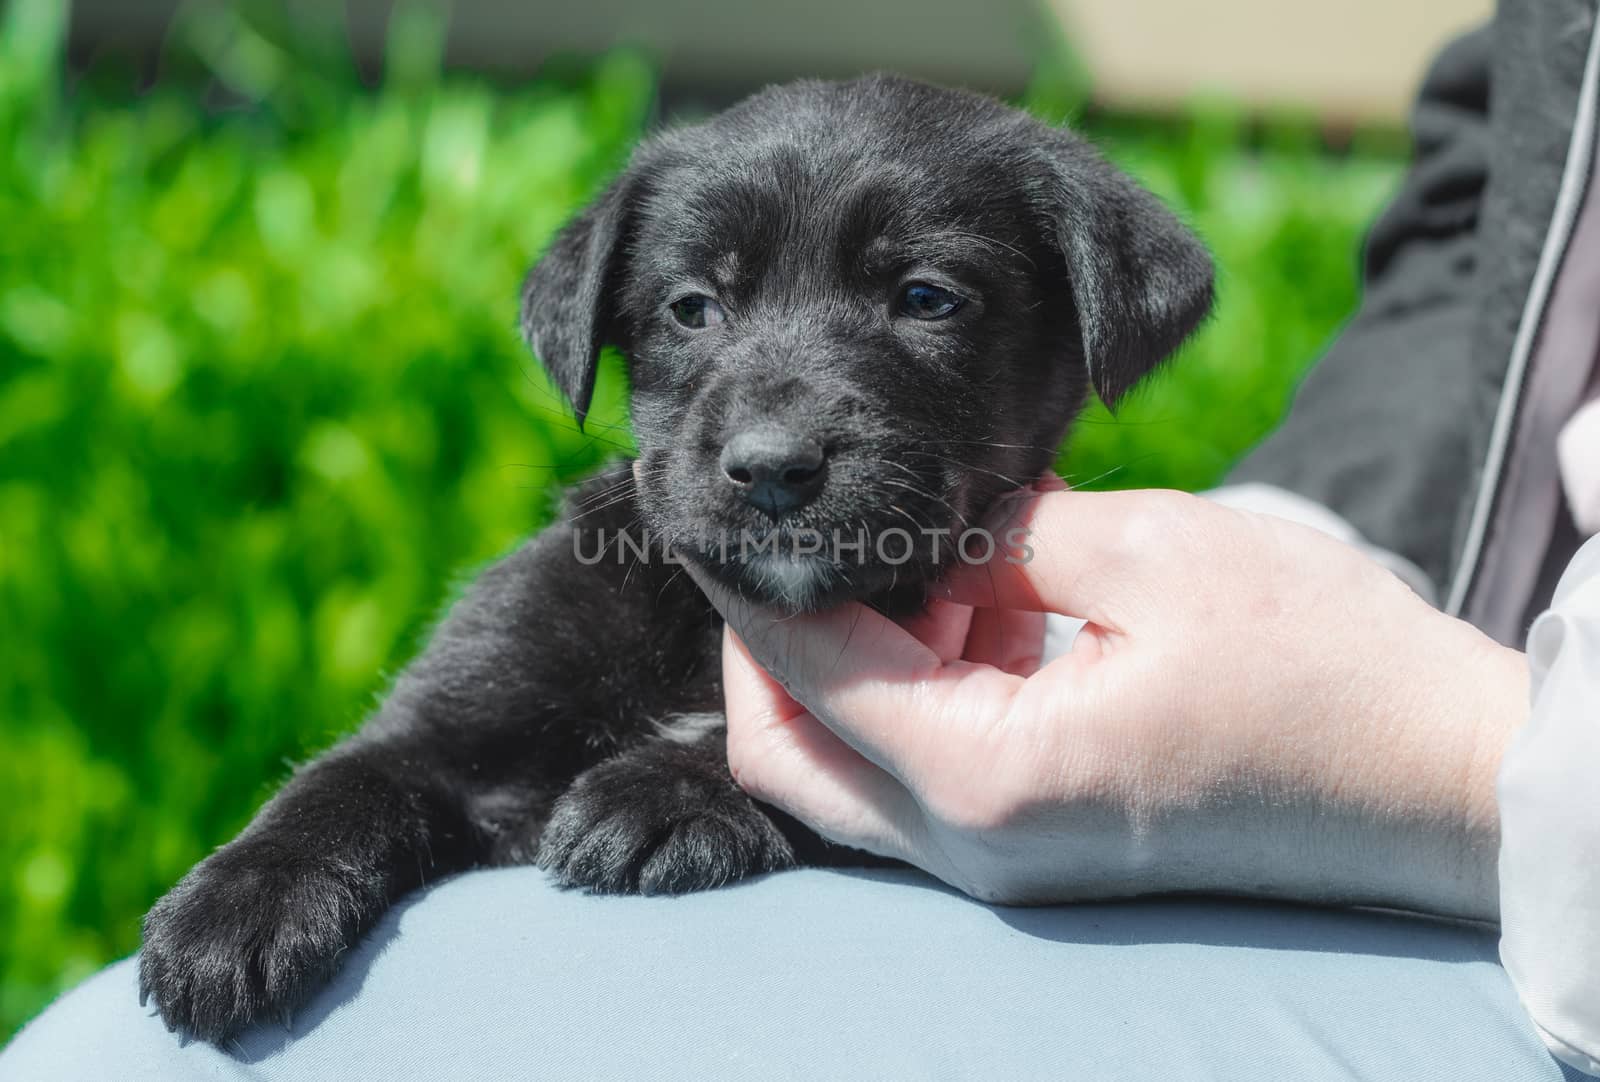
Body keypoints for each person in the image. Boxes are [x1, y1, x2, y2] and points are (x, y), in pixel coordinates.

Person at [4, 0, 1598, 1077]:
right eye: (694, 311)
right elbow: (427, 766)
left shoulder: (1018, 626)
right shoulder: (594, 594)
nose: (768, 428)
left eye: (923, 301)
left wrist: (758, 803)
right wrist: (299, 846)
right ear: (608, 341)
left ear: (1090, 330)